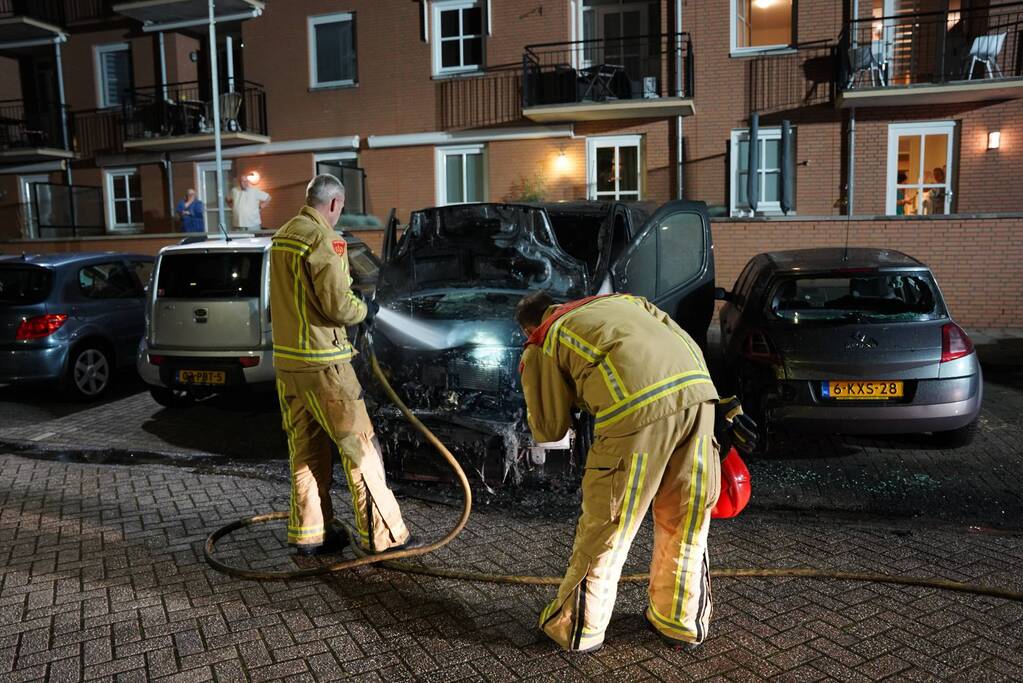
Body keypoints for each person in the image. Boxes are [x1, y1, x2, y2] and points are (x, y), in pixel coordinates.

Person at [516, 291, 753, 653]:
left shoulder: (545, 336)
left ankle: (579, 628)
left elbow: (549, 428)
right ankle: (679, 622)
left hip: (636, 417)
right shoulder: (626, 302)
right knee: (685, 522)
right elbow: (681, 337)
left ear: (528, 325)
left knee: (610, 526)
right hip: (700, 399)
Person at [269, 174, 416, 557]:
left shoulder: (284, 235)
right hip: (325, 365)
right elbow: (337, 304)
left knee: (306, 450)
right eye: (341, 208)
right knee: (360, 449)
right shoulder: (324, 239)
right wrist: (364, 311)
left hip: (289, 366)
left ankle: (310, 534)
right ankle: (383, 536)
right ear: (334, 204)